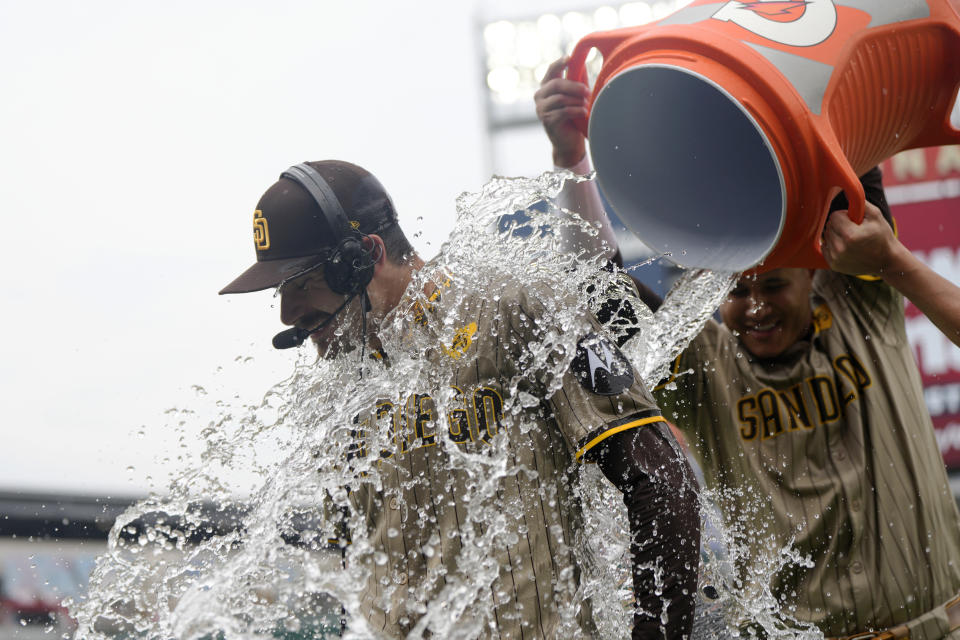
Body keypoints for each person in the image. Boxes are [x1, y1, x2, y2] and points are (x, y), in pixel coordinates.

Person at [536, 56, 960, 639]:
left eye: (776, 285)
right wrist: (570, 157)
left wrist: (793, 55)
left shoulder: (861, 302)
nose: (756, 306)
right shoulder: (703, 362)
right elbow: (602, 294)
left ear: (815, 276)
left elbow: (852, 151)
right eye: (739, 290)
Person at [218, 160, 701, 638]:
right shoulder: (339, 395)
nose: (287, 315)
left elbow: (661, 479)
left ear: (364, 255)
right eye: (282, 291)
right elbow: (356, 571)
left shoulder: (516, 306)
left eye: (302, 284)